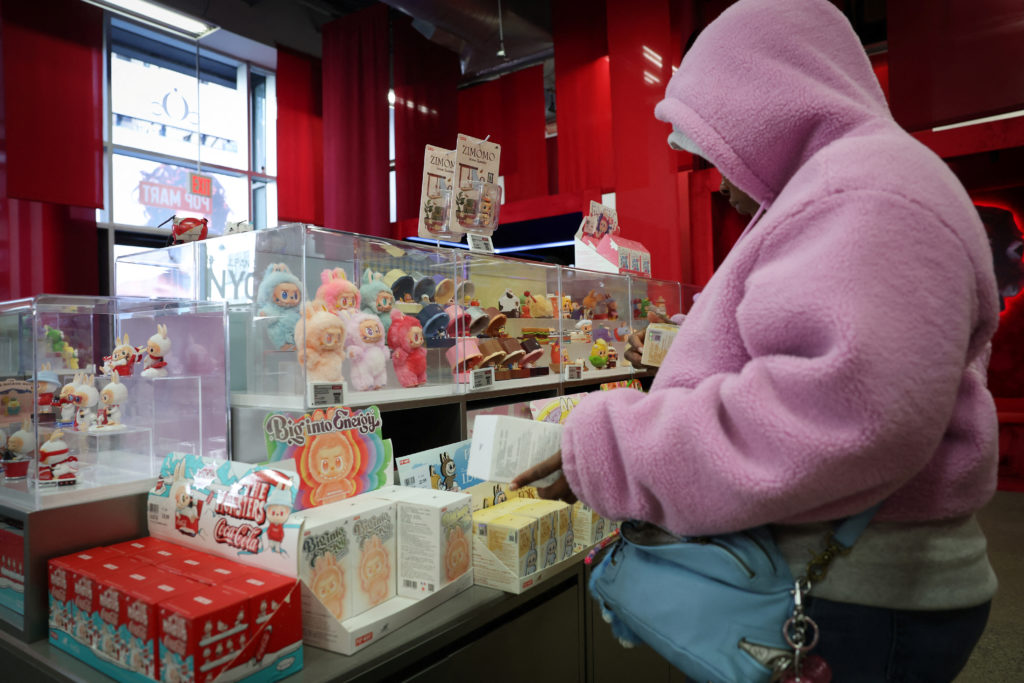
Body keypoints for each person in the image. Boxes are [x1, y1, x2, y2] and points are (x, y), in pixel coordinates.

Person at [512, 0, 1000, 680]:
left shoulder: (862, 189)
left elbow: (839, 413)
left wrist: (611, 447)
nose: (719, 170)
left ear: (769, 102)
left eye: (719, 135)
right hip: (856, 579)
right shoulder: (863, 182)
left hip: (846, 598)